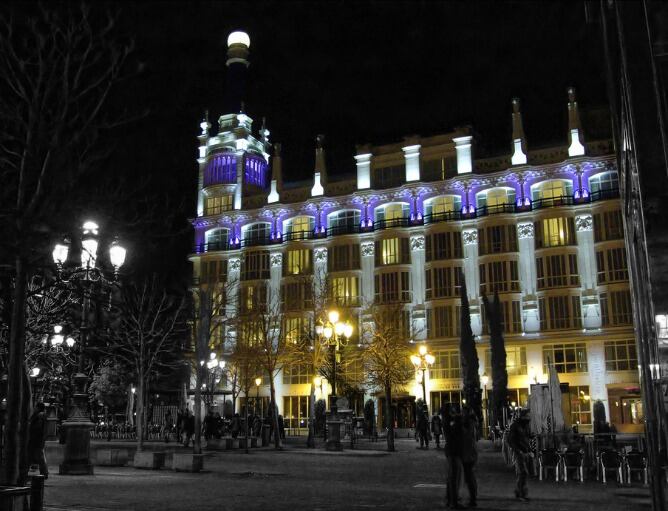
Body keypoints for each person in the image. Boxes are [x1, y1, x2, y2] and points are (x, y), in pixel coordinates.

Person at [508, 408, 532, 502]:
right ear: (523, 416)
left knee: (523, 473)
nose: (529, 418)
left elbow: (524, 438)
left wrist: (528, 449)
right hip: (518, 452)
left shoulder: (524, 425)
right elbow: (511, 440)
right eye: (528, 415)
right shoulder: (516, 426)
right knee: (522, 472)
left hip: (524, 451)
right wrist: (517, 450)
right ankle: (521, 493)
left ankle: (519, 492)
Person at [443, 404, 463, 509]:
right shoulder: (450, 422)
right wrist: (457, 420)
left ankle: (449, 499)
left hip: (452, 450)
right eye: (452, 410)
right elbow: (454, 434)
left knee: (452, 476)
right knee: (454, 477)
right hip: (453, 451)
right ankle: (453, 502)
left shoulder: (449, 420)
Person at [460, 406, 479, 508]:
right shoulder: (471, 422)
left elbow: (467, 436)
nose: (462, 414)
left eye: (463, 412)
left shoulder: (469, 423)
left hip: (468, 453)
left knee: (469, 477)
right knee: (470, 476)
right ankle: (473, 496)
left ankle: (473, 499)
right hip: (470, 452)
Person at [28, 402, 49, 479]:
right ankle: (44, 472)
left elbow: (38, 428)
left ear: (38, 408)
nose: (34, 408)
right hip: (38, 439)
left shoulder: (40, 415)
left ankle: (44, 473)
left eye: (35, 407)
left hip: (37, 440)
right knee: (38, 456)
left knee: (39, 457)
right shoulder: (40, 415)